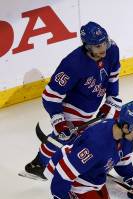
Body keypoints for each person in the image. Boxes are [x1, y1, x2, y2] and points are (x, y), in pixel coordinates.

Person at [22, 21, 122, 181]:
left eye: (104, 42)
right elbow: (50, 96)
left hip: (94, 103)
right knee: (66, 136)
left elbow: (113, 76)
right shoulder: (72, 63)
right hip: (73, 105)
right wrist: (58, 120)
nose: (103, 48)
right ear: (88, 46)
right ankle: (39, 165)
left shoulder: (112, 49)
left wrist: (111, 100)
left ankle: (91, 164)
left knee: (104, 133)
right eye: (98, 46)